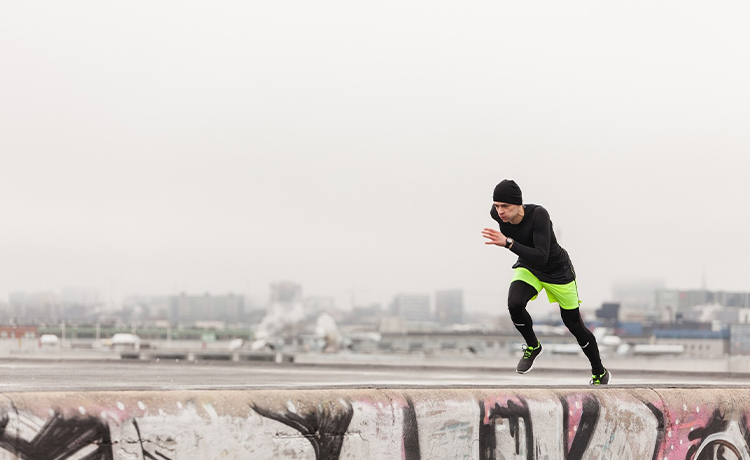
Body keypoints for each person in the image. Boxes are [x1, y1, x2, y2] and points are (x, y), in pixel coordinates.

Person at [481, 179, 610, 385]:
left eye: (505, 206)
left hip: (558, 271)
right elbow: (530, 257)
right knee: (514, 303)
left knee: (574, 324)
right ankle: (533, 346)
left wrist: (508, 243)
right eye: (497, 206)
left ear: (519, 204)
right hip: (529, 267)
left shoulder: (539, 215)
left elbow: (542, 256)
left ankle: (599, 372)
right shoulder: (495, 214)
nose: (500, 211)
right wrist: (511, 243)